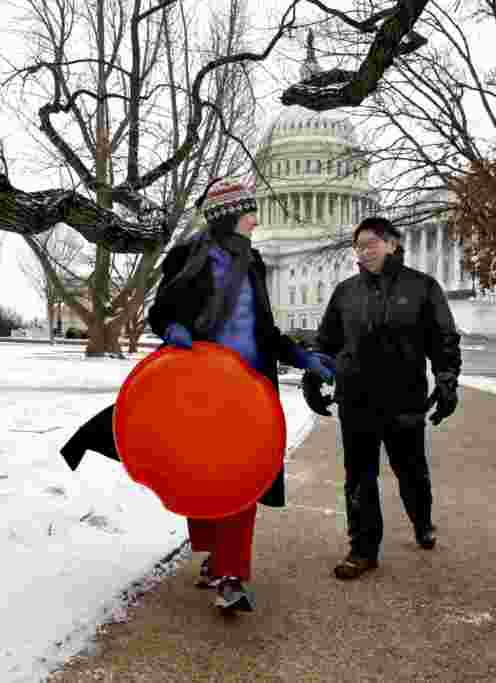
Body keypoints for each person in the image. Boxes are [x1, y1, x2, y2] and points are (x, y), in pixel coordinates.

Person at [145, 177, 335, 613]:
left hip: (249, 390)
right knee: (202, 476)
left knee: (243, 477)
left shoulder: (254, 263)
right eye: (249, 210)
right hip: (200, 387)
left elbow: (263, 330)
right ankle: (214, 554)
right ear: (229, 215)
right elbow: (161, 312)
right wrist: (172, 329)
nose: (256, 218)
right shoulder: (184, 259)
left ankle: (232, 575)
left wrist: (302, 357)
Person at [310, 216, 462, 580]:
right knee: (358, 477)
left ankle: (421, 520)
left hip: (403, 399)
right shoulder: (346, 292)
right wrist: (313, 378)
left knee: (411, 472)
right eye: (359, 246)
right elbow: (327, 342)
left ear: (393, 244)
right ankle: (362, 549)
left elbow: (443, 339)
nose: (364, 251)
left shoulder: (422, 287)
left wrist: (446, 380)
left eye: (371, 243)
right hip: (355, 399)